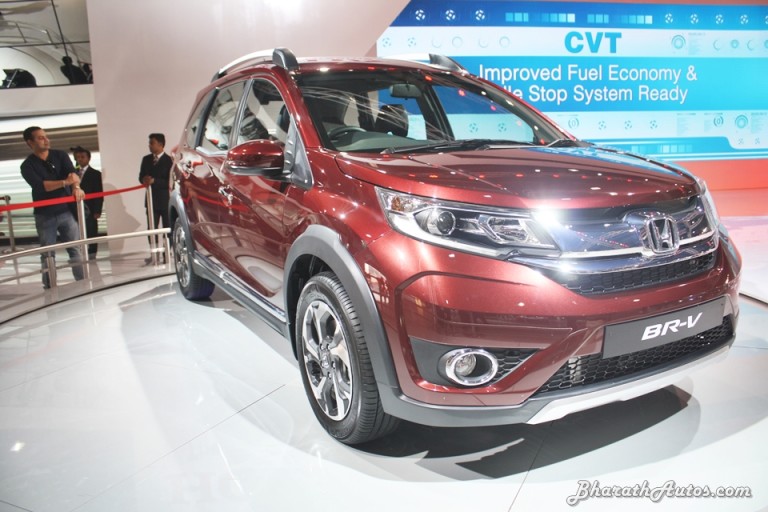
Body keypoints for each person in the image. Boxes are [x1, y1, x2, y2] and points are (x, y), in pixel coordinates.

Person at [20, 126, 85, 288]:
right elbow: (42, 186)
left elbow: (73, 175)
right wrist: (64, 182)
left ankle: (83, 281)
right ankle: (50, 286)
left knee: (75, 249)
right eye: (40, 138)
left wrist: (76, 187)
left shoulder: (60, 155)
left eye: (46, 136)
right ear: (30, 142)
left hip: (66, 211)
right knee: (47, 253)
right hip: (44, 214)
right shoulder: (27, 165)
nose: (46, 140)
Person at [138, 133, 172, 263]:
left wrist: (155, 181)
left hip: (165, 200)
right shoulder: (146, 159)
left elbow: (170, 181)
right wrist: (144, 179)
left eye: (152, 143)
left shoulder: (169, 160)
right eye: (149, 143)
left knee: (167, 227)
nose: (149, 145)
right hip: (150, 200)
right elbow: (140, 177)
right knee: (151, 229)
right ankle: (154, 254)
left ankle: (166, 253)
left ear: (160, 144)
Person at [71, 146, 104, 257]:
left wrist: (97, 210)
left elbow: (99, 193)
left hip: (90, 208)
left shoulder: (96, 174)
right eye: (78, 157)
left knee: (91, 231)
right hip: (75, 208)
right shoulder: (73, 174)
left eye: (82, 157)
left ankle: (92, 254)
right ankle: (80, 253)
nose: (80, 159)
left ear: (88, 158)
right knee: (77, 231)